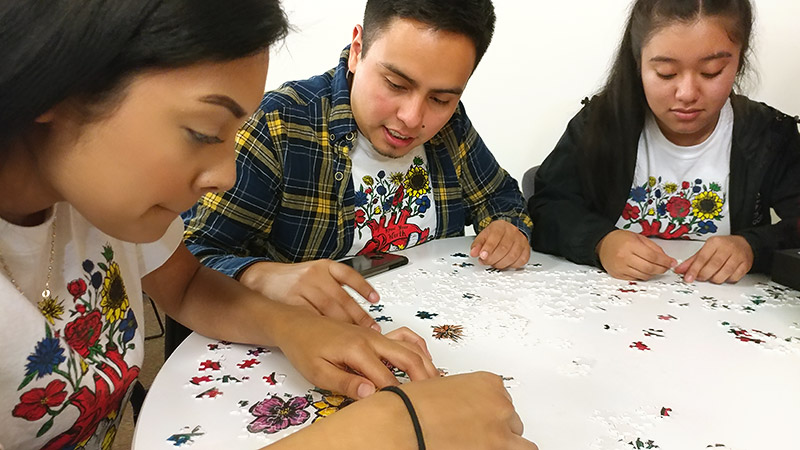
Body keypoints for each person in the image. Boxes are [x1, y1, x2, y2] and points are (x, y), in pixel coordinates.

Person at [0, 1, 537, 449]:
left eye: (441, 98)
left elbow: (186, 282)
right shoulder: (282, 123)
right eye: (204, 131)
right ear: (56, 87)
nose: (227, 174)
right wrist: (394, 429)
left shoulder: (101, 208)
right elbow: (210, 248)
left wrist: (297, 328)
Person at [182, 0, 533, 331]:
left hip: (432, 328)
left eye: (440, 99)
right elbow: (192, 255)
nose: (412, 118)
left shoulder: (451, 127)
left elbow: (499, 196)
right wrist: (261, 275)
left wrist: (507, 228)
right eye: (395, 84)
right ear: (357, 50)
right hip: (309, 337)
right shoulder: (281, 125)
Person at [529, 0, 800, 284]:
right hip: (611, 299)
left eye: (711, 71)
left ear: (739, 61)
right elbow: (547, 206)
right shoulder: (601, 123)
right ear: (638, 63)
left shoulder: (769, 135)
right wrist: (600, 242)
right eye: (666, 73)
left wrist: (752, 246)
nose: (687, 93)